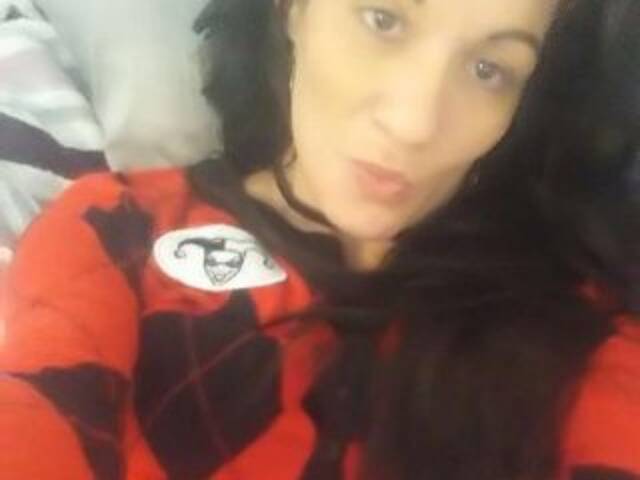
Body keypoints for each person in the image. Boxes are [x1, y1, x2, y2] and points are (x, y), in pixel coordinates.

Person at [1, 0, 639, 479]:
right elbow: (35, 413)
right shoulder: (119, 223)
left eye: (488, 68)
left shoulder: (580, 319)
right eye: (383, 20)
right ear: (292, 10)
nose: (415, 122)